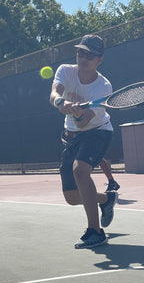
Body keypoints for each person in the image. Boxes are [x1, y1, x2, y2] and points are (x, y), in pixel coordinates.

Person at [49, 34, 118, 249]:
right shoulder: (65, 71)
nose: (83, 57)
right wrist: (62, 102)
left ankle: (95, 232)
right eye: (80, 52)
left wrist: (78, 114)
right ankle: (105, 200)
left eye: (90, 55)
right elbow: (54, 94)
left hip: (97, 132)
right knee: (71, 197)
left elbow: (83, 123)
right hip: (71, 136)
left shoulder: (102, 88)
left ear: (99, 60)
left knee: (81, 171)